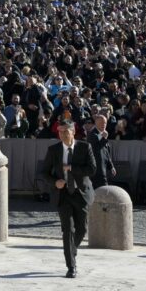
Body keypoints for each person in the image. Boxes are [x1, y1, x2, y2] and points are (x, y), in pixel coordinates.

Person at [40, 119, 95, 278]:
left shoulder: (85, 147)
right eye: (60, 131)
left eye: (66, 131)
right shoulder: (53, 150)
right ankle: (71, 266)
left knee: (82, 229)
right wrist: (54, 182)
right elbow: (43, 173)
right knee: (67, 230)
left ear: (73, 131)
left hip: (81, 193)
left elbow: (92, 169)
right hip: (63, 194)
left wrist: (72, 168)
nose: (63, 134)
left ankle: (72, 250)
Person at [87, 113, 116, 189]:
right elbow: (95, 149)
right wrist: (104, 138)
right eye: (101, 123)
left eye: (105, 123)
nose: (103, 125)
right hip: (96, 170)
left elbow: (106, 152)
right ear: (96, 123)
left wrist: (111, 166)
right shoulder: (92, 134)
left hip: (104, 169)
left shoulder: (104, 134)